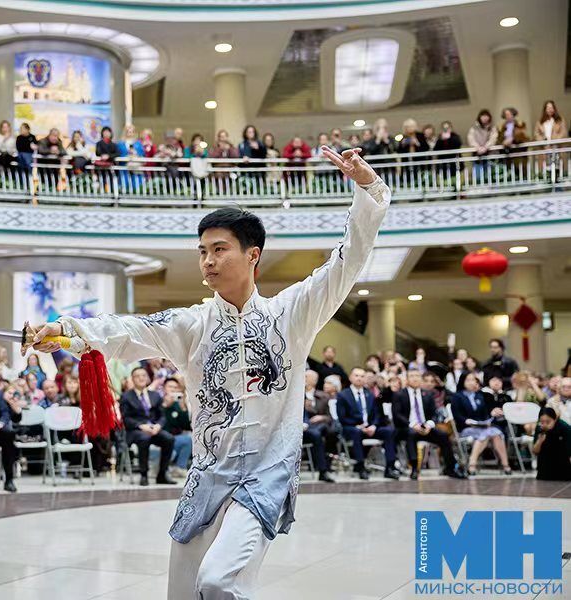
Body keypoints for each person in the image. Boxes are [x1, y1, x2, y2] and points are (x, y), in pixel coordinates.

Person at [26, 144, 390, 599]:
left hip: (265, 475)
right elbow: (131, 330)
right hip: (208, 474)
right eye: (202, 251)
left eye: (219, 249)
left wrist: (367, 190)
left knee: (219, 582)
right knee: (182, 591)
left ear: (253, 255)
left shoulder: (292, 314)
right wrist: (66, 331)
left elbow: (347, 260)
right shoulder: (193, 324)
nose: (208, 261)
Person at [393, 370, 465, 480]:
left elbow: (434, 414)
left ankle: (450, 468)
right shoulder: (399, 394)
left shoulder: (427, 394)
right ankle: (414, 468)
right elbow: (397, 415)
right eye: (412, 376)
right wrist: (412, 424)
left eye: (417, 376)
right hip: (407, 428)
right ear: (407, 379)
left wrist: (429, 425)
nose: (415, 378)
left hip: (425, 428)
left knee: (443, 435)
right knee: (411, 434)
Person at [337, 367, 400, 480]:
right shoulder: (343, 395)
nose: (359, 378)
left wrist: (374, 426)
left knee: (389, 431)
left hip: (370, 427)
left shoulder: (370, 394)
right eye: (356, 375)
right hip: (352, 428)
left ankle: (390, 467)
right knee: (356, 432)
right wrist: (358, 426)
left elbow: (377, 414)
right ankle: (360, 466)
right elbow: (342, 417)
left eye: (362, 376)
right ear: (350, 378)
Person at [120, 367, 175, 486]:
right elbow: (126, 419)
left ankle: (162, 474)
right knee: (144, 438)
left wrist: (158, 426)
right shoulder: (126, 396)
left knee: (169, 439)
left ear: (148, 378)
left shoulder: (155, 395)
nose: (141, 378)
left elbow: (162, 416)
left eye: (144, 375)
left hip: (153, 428)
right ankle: (144, 474)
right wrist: (141, 426)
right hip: (135, 430)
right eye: (137, 376)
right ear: (132, 379)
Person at [451, 373, 511, 475]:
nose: (471, 382)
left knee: (496, 433)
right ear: (463, 381)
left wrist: (490, 416)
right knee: (487, 434)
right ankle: (472, 463)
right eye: (468, 380)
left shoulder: (480, 395)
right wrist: (468, 421)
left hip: (482, 426)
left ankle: (505, 464)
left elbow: (485, 414)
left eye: (473, 380)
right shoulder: (457, 396)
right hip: (466, 427)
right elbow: (457, 415)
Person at [303, 370, 336, 482]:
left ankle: (325, 464)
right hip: (304, 427)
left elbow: (330, 417)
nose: (304, 379)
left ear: (315, 381)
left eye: (307, 377)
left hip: (320, 426)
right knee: (317, 434)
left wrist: (320, 417)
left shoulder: (323, 396)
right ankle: (323, 468)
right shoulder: (298, 394)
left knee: (330, 431)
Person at [161, 377, 192, 479]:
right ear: (164, 389)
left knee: (188, 438)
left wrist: (183, 409)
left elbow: (186, 426)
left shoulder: (177, 404)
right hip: (160, 438)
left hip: (175, 438)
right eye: (170, 387)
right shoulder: (157, 401)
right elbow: (158, 422)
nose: (173, 389)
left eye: (175, 387)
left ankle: (180, 468)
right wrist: (165, 406)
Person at [531, 407, 571, 481]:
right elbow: (535, 451)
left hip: (563, 469)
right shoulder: (539, 428)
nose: (545, 425)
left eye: (548, 422)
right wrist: (540, 441)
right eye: (542, 422)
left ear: (555, 419)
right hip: (545, 471)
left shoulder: (564, 428)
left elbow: (569, 452)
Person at [467, 109, 498, 181]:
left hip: (490, 155)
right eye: (483, 116)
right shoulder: (473, 128)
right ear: (479, 117)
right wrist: (477, 147)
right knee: (478, 178)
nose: (485, 118)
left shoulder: (492, 128)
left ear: (489, 117)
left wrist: (485, 147)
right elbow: (471, 139)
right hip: (477, 156)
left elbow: (493, 139)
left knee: (490, 177)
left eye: (486, 116)